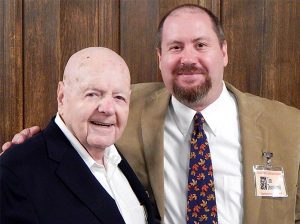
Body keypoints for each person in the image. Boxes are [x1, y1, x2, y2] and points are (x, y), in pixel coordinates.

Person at [2, 4, 300, 224]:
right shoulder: (125, 113)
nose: (188, 58)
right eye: (175, 47)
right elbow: (70, 136)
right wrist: (28, 146)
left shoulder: (289, 126)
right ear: (160, 58)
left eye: (200, 45)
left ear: (223, 51)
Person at [0, 47, 158, 224]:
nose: (107, 108)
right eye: (92, 94)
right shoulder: (15, 173)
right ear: (62, 97)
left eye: (119, 97)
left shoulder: (115, 156)